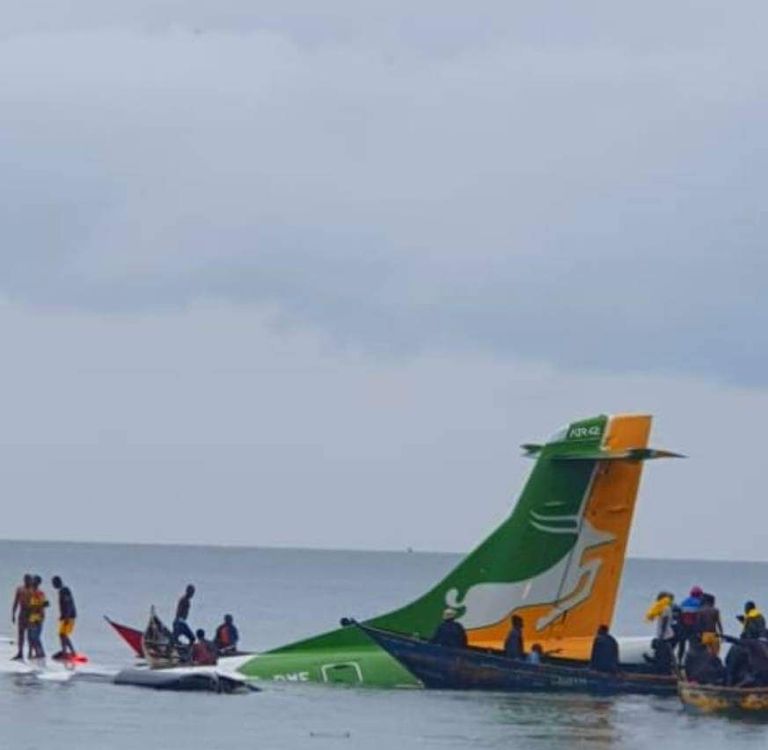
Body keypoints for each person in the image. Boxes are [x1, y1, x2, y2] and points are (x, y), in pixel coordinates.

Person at [51, 576, 77, 659]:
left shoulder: (64, 591)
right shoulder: (62, 590)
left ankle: (69, 652)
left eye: (53, 583)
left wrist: (66, 617)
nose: (53, 585)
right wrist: (62, 616)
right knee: (62, 634)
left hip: (69, 616)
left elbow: (68, 604)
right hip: (66, 616)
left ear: (57, 582)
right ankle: (67, 651)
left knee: (63, 634)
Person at [676, 586, 703, 660]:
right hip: (694, 627)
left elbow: (679, 616)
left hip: (683, 627)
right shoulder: (700, 604)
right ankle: (693, 661)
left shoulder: (683, 602)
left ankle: (679, 660)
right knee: (694, 645)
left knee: (682, 645)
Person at [10, 574, 33, 660]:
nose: (27, 581)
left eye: (29, 579)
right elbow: (16, 601)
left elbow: (40, 603)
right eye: (26, 579)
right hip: (22, 612)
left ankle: (30, 652)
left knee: (30, 634)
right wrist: (13, 613)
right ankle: (20, 652)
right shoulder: (20, 589)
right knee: (21, 634)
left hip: (31, 613)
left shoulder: (33, 590)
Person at [26, 576, 49, 659]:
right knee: (30, 636)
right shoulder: (30, 592)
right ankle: (33, 652)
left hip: (37, 617)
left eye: (34, 581)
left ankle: (40, 653)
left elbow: (46, 604)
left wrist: (38, 607)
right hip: (31, 617)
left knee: (35, 637)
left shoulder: (40, 593)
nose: (32, 583)